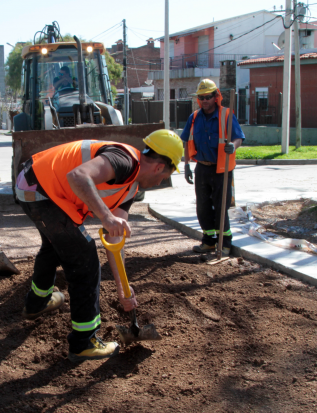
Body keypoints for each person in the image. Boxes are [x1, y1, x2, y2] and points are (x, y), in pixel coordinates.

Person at [15, 130, 183, 362]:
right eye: (164, 177)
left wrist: (122, 286)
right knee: (85, 258)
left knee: (56, 246)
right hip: (39, 189)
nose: (160, 182)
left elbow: (115, 239)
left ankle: (37, 303)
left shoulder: (130, 188)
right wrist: (106, 216)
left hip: (37, 186)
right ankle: (84, 342)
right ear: (158, 168)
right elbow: (78, 176)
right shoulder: (124, 160)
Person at [179, 79, 245, 256]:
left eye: (208, 97)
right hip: (202, 168)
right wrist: (186, 166)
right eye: (201, 97)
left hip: (221, 169)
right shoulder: (193, 118)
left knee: (220, 206)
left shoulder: (226, 115)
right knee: (203, 207)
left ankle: (225, 243)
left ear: (216, 97)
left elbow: (238, 137)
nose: (204, 100)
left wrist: (234, 145)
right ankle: (208, 241)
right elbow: (186, 141)